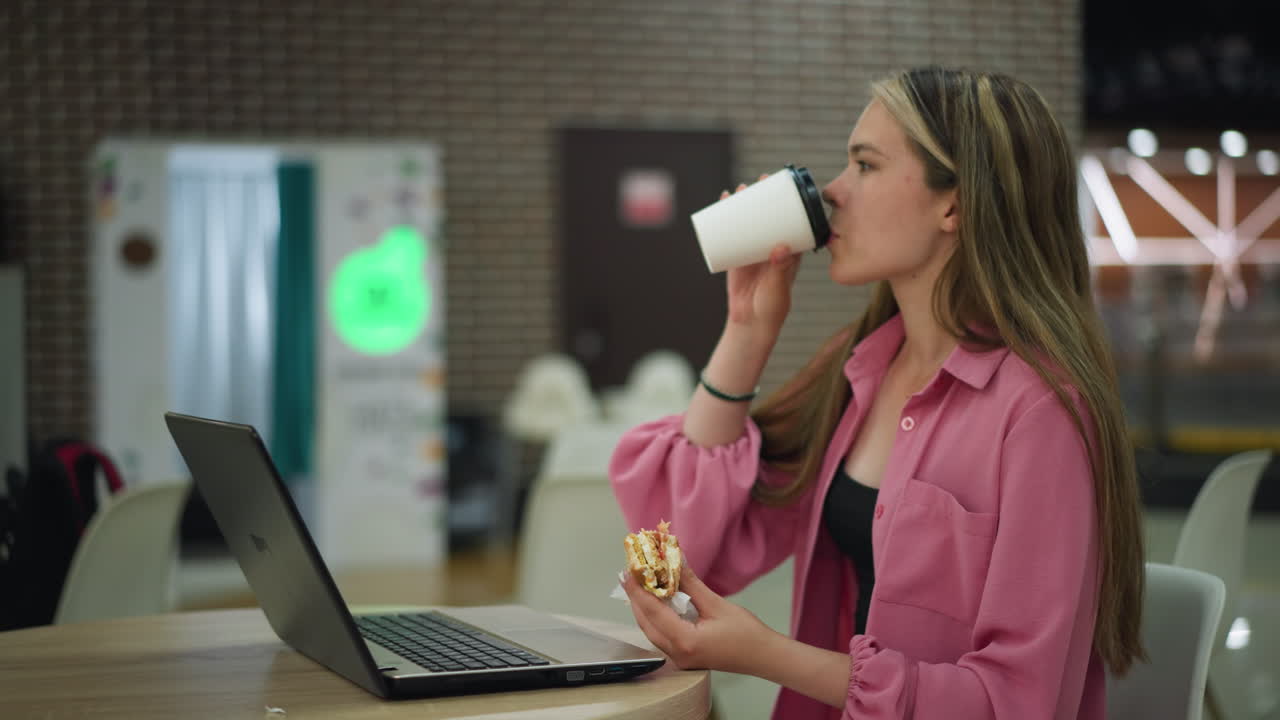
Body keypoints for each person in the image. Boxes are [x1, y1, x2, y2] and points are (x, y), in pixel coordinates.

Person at [610, 66, 1146, 719]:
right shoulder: (859, 369)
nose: (833, 191)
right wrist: (748, 331)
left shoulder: (1039, 411)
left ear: (955, 202)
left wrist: (766, 654)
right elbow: (677, 547)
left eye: (864, 165)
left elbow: (1013, 701)